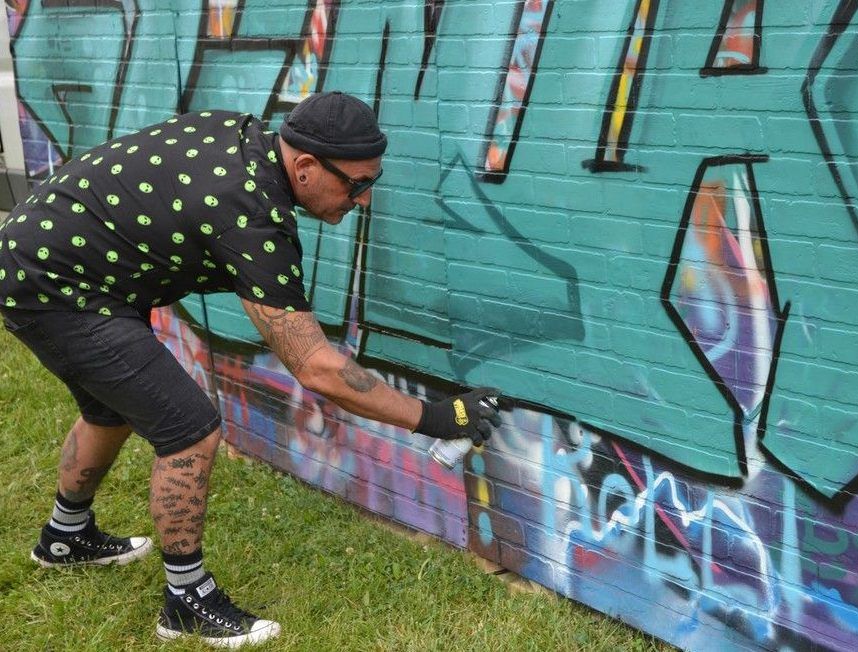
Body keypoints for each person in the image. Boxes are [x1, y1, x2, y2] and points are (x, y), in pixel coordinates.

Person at [0, 92, 501, 648]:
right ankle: (186, 602)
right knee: (189, 430)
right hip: (56, 288)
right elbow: (319, 369)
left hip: (50, 260)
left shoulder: (242, 138)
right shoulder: (251, 216)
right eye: (357, 184)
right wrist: (435, 417)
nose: (363, 200)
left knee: (110, 407)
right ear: (305, 167)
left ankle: (64, 539)